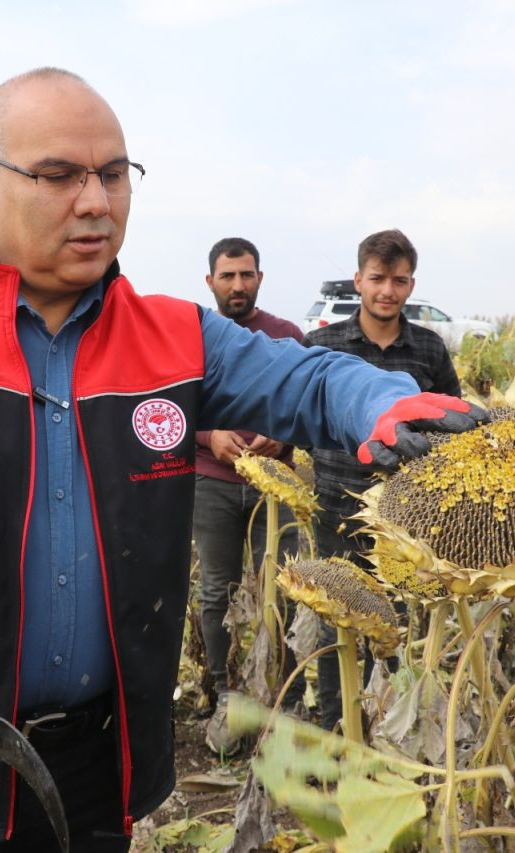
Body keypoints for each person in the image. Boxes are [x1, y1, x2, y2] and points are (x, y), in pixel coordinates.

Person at [0, 67, 485, 852]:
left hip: (96, 771)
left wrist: (380, 402)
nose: (96, 201)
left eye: (114, 174)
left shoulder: (173, 336)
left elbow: (307, 378)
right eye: (60, 175)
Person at [304, 229, 461, 733]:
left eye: (398, 281)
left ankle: (391, 731)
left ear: (411, 284)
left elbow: (448, 422)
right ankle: (339, 731)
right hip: (335, 505)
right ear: (358, 280)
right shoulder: (323, 344)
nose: (387, 291)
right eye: (377, 279)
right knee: (338, 624)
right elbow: (301, 415)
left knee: (395, 627)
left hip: (401, 517)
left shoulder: (429, 351)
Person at [192, 237, 306, 756]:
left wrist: (282, 436)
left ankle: (278, 695)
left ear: (260, 278)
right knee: (217, 589)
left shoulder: (286, 336)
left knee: (278, 592)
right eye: (227, 276)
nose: (237, 285)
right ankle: (225, 691)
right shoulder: (190, 336)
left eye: (246, 275)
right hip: (213, 480)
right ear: (210, 281)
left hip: (275, 487)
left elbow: (306, 403)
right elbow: (172, 408)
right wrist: (208, 436)